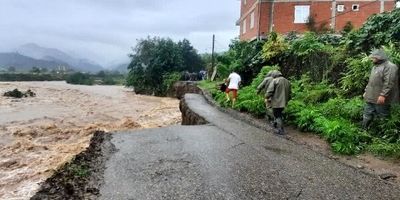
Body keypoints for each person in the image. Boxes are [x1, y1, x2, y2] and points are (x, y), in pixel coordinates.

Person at [362, 49, 399, 129]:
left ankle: (386, 135)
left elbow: (389, 83)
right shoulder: (375, 67)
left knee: (383, 116)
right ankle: (364, 131)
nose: (372, 59)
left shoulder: (390, 66)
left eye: (373, 58)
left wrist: (383, 95)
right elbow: (371, 81)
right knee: (367, 114)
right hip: (371, 96)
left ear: (379, 57)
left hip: (381, 98)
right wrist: (366, 91)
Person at [266, 70, 291, 135]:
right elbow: (290, 93)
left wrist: (266, 97)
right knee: (279, 113)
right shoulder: (287, 81)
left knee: (277, 115)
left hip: (276, 102)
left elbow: (269, 91)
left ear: (274, 75)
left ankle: (281, 130)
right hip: (284, 102)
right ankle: (275, 123)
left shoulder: (275, 81)